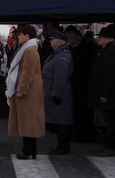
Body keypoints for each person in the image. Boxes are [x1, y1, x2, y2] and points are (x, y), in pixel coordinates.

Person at [6, 25, 45, 159]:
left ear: (27, 36)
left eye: (21, 34)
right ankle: (30, 150)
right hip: (28, 91)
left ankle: (27, 151)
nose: (18, 36)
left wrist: (21, 90)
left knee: (27, 122)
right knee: (26, 121)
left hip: (28, 92)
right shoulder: (27, 49)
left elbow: (27, 73)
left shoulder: (29, 51)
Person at [89, 26, 115, 157]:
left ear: (109, 39)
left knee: (111, 122)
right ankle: (108, 145)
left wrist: (104, 93)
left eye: (102, 37)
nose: (98, 38)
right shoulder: (104, 50)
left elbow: (109, 75)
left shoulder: (110, 52)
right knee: (107, 120)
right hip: (104, 92)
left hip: (109, 94)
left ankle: (112, 146)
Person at [43, 30, 73, 155]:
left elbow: (61, 77)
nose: (50, 41)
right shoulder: (57, 53)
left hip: (58, 91)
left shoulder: (62, 56)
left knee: (62, 119)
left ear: (59, 41)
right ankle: (61, 145)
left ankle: (63, 146)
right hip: (52, 88)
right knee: (58, 118)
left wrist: (56, 93)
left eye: (52, 39)